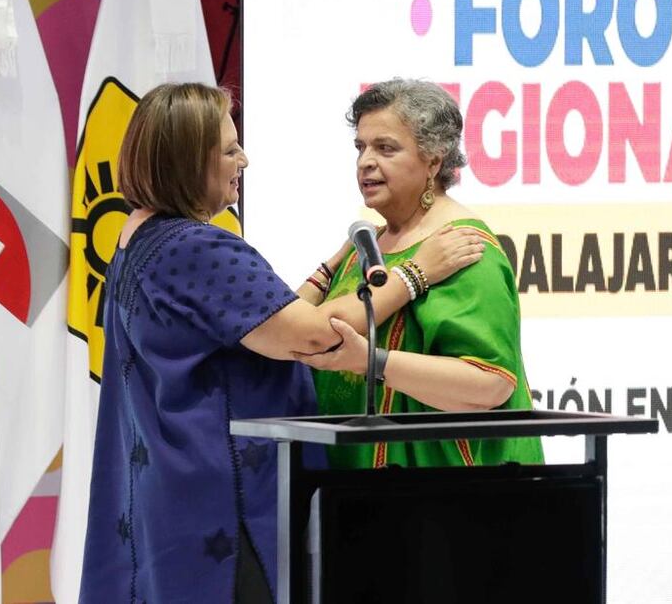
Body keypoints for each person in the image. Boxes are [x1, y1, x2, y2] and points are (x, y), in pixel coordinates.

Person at [78, 82, 483, 604]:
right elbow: (312, 338)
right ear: (184, 162)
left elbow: (258, 327)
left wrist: (333, 265)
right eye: (227, 149)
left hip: (176, 501)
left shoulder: (139, 237)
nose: (243, 159)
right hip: (229, 509)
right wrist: (415, 273)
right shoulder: (197, 246)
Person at [298, 78, 544, 469]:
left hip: (443, 498)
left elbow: (489, 383)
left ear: (434, 161)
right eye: (360, 147)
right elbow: (306, 330)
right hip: (351, 486)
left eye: (385, 148)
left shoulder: (463, 247)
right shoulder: (369, 244)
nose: (365, 161)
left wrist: (373, 361)